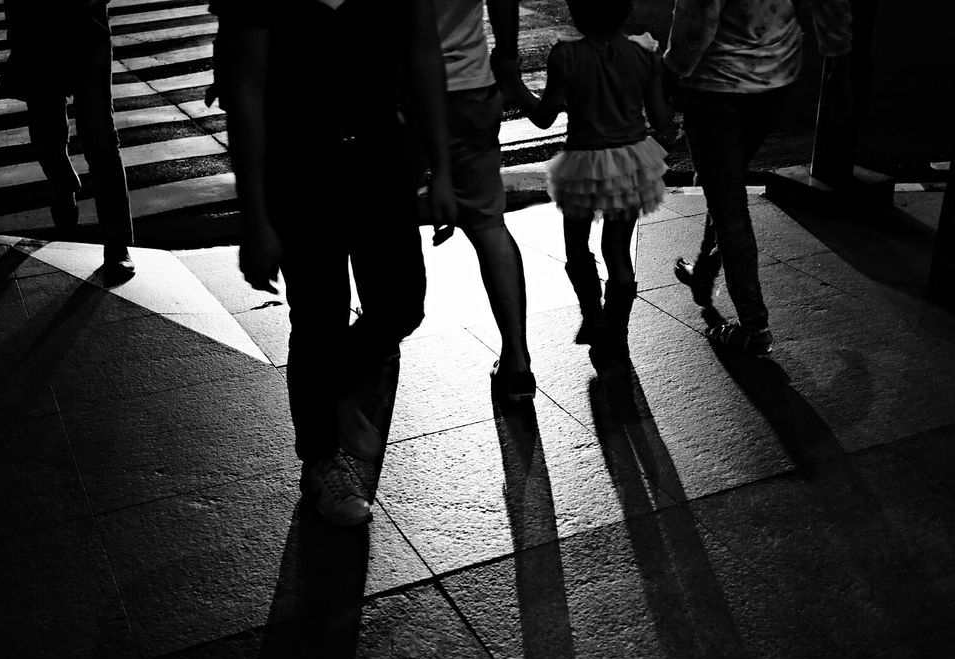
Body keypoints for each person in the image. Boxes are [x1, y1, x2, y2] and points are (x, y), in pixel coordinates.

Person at [211, 0, 456, 526]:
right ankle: (320, 460)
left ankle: (332, 394)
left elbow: (423, 55)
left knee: (401, 304)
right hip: (298, 170)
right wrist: (254, 218)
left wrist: (442, 167)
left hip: (381, 161)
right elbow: (247, 94)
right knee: (320, 316)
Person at [666, 0, 852, 355]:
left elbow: (698, 19)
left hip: (717, 79)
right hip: (775, 72)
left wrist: (670, 73)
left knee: (727, 200)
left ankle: (754, 326)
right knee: (726, 182)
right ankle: (704, 272)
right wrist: (839, 58)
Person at [510, 0, 673, 366]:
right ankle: (617, 331)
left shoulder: (566, 57)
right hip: (631, 161)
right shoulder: (644, 54)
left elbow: (543, 117)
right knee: (617, 250)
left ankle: (593, 316)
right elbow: (662, 118)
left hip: (583, 161)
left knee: (576, 247)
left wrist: (514, 83)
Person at [433, 0, 536, 402]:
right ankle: (518, 360)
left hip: (398, 94)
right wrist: (507, 59)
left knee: (383, 219)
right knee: (488, 222)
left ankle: (375, 343)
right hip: (470, 86)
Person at [0, 0, 136, 279]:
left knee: (100, 136)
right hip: (35, 30)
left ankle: (117, 244)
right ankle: (64, 190)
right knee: (47, 135)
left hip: (86, 27)